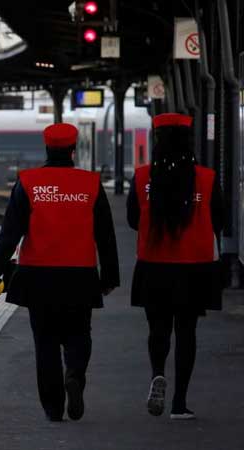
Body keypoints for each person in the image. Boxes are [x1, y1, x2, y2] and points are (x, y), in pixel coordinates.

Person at [0, 122, 119, 422]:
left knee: (44, 342)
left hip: (37, 276)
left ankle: (53, 407)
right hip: (80, 275)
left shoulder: (28, 182)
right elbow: (105, 236)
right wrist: (109, 278)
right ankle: (75, 375)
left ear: (46, 149)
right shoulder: (91, 184)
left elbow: (10, 232)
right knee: (79, 334)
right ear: (73, 150)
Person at [127, 113, 224, 420]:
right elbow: (220, 220)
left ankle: (158, 373)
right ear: (188, 140)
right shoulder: (207, 178)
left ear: (157, 141)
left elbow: (132, 220)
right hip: (194, 267)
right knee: (186, 332)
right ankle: (180, 404)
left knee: (158, 329)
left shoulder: (142, 178)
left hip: (153, 265)